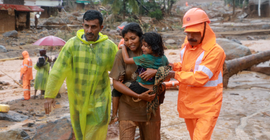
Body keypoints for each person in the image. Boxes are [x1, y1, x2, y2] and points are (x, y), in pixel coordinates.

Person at [43, 10, 118, 140]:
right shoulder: (72, 45)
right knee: (80, 134)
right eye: (86, 26)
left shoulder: (109, 47)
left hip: (100, 99)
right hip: (77, 100)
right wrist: (50, 94)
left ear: (101, 27)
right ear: (82, 25)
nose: (89, 30)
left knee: (94, 133)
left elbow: (119, 71)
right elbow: (58, 69)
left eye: (93, 27)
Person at [165, 8, 226, 140]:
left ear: (204, 29)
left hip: (207, 107)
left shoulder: (215, 52)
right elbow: (186, 68)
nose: (190, 37)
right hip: (189, 104)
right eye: (188, 33)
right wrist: (172, 65)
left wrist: (173, 74)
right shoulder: (186, 46)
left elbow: (200, 78)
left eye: (195, 33)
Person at [109, 23, 161, 140]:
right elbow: (116, 83)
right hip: (128, 106)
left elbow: (167, 74)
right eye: (126, 39)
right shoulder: (121, 54)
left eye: (133, 38)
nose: (130, 42)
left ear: (141, 37)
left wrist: (155, 72)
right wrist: (138, 95)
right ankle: (114, 115)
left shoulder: (152, 52)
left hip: (150, 107)